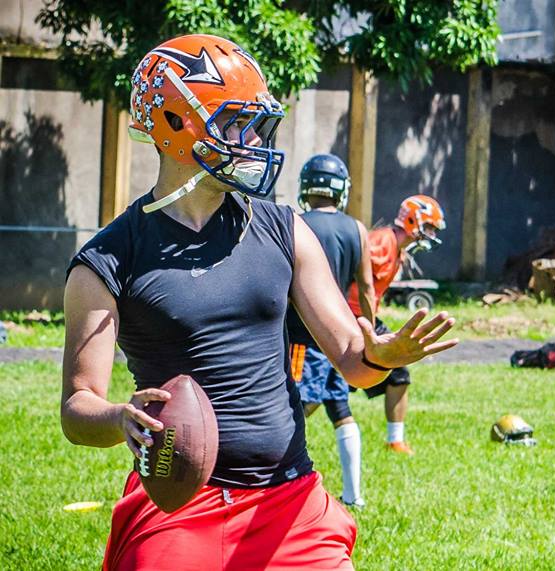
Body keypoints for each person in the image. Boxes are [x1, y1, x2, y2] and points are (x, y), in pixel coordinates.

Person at [60, 34, 456, 570]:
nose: (251, 141)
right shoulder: (106, 259)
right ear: (176, 126)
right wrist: (118, 418)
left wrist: (383, 355)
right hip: (178, 504)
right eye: (234, 123)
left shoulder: (283, 228)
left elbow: (351, 358)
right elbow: (77, 406)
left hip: (289, 499)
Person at [286, 153, 375, 509]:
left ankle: (285, 486)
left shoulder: (294, 223)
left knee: (292, 408)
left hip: (302, 339)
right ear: (341, 189)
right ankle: (353, 494)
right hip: (343, 339)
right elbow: (366, 287)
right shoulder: (356, 229)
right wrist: (369, 332)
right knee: (341, 410)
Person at [345, 195, 447, 456]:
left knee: (398, 374)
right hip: (349, 318)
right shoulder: (381, 242)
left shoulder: (397, 249)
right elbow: (347, 271)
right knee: (322, 389)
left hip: (364, 318)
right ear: (413, 220)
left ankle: (395, 440)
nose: (432, 233)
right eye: (430, 226)